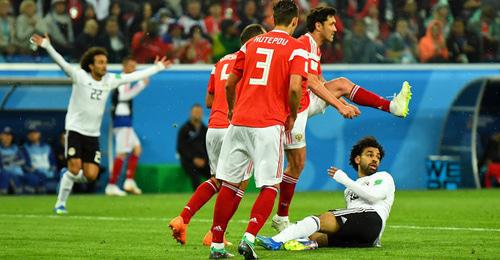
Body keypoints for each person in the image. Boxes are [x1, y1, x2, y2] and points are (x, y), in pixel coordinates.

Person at [271, 6, 412, 233]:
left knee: (342, 85)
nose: (336, 28)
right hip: (293, 107)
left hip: (305, 102)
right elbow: (314, 84)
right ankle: (279, 217)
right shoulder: (304, 44)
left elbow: (319, 81)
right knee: (296, 164)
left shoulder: (314, 48)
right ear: (318, 25)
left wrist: (341, 100)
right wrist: (339, 105)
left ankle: (392, 107)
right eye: (332, 24)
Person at [30, 32, 171, 214]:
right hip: (75, 129)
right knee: (74, 168)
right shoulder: (79, 76)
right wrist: (47, 46)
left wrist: (157, 67)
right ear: (91, 65)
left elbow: (132, 77)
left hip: (92, 134)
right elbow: (62, 64)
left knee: (91, 175)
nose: (104, 66)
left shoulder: (110, 80)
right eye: (100, 63)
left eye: (105, 62)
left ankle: (67, 176)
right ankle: (60, 203)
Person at [208, 1, 307, 258]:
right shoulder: (297, 49)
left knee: (229, 184)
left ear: (273, 18)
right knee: (270, 185)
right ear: (295, 21)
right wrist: (292, 116)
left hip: (238, 122)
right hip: (268, 124)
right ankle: (249, 238)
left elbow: (231, 83)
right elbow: (295, 88)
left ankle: (217, 244)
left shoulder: (250, 44)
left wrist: (231, 109)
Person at [168, 24, 267, 247]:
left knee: (217, 181)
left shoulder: (220, 62)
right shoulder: (253, 60)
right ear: (255, 40)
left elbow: (209, 101)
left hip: (213, 127)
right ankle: (215, 235)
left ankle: (183, 218)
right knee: (238, 185)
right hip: (237, 127)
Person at [257, 136, 395, 250]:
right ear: (358, 159)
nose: (375, 159)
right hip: (363, 236)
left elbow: (373, 196)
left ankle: (276, 240)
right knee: (315, 235)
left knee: (323, 218)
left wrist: (344, 179)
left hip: (372, 220)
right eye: (370, 155)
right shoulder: (349, 190)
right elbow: (353, 214)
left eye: (378, 157)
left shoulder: (383, 177)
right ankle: (307, 243)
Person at [105, 56, 148, 196]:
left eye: (135, 67)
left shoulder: (124, 79)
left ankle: (129, 180)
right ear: (124, 67)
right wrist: (141, 85)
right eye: (131, 66)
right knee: (122, 153)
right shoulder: (121, 79)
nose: (133, 69)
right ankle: (111, 185)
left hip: (125, 119)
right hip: (121, 119)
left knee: (137, 149)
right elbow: (123, 97)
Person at [176, 104, 210, 192]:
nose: (197, 114)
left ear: (202, 114)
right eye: (195, 112)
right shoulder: (184, 129)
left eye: (199, 112)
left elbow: (209, 147)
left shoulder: (205, 130)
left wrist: (205, 160)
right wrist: (193, 159)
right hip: (189, 162)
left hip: (203, 161)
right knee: (196, 179)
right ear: (191, 113)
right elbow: (181, 147)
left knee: (216, 177)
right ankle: (198, 199)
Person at [22, 126, 58, 193]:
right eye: (30, 133)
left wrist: (51, 172)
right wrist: (37, 172)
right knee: (36, 179)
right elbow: (26, 165)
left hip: (49, 172)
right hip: (35, 173)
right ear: (28, 135)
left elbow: (53, 163)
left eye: (35, 133)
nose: (33, 135)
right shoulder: (25, 148)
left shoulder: (47, 147)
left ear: (39, 134)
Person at [0, 127, 27, 194]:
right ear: (1, 136)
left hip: (17, 172)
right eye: (5, 135)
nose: (8, 137)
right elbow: (2, 164)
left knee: (32, 177)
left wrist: (11, 163)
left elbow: (23, 161)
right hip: (4, 173)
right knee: (6, 174)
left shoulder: (16, 148)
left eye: (9, 135)